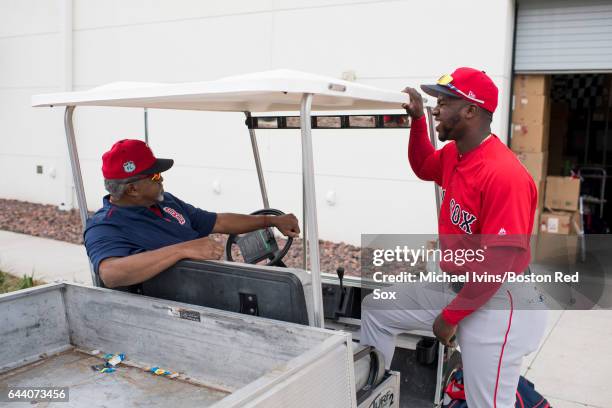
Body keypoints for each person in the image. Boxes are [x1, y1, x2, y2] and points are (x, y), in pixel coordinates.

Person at [360, 67, 548, 407]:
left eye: (444, 102)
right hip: (461, 285)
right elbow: (423, 166)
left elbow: (499, 265)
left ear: (470, 111)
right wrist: (418, 121)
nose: (436, 109)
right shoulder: (455, 153)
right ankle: (376, 397)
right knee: (377, 308)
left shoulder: (505, 174)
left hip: (500, 301)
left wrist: (450, 318)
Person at [84, 139, 300, 289]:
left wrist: (270, 220)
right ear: (132, 189)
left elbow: (219, 221)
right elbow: (111, 273)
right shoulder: (104, 226)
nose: (162, 180)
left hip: (213, 287)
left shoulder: (166, 201)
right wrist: (184, 250)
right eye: (156, 176)